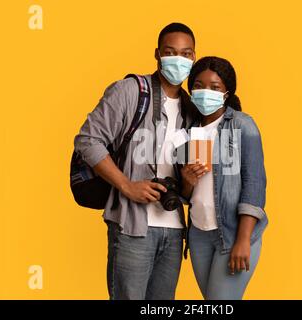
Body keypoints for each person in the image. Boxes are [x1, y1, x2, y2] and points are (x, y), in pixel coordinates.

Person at [74, 23, 198, 300]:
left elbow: (185, 180)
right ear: (157, 54)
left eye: (186, 54)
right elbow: (87, 140)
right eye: (170, 52)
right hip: (132, 227)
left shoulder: (193, 109)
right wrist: (127, 186)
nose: (179, 59)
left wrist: (188, 185)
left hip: (175, 231)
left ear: (193, 58)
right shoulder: (131, 91)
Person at [180, 56, 269, 300]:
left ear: (226, 92)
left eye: (214, 87)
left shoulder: (242, 125)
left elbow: (255, 183)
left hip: (232, 234)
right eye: (198, 86)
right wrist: (187, 180)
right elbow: (188, 193)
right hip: (199, 234)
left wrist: (243, 240)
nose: (205, 91)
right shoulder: (190, 131)